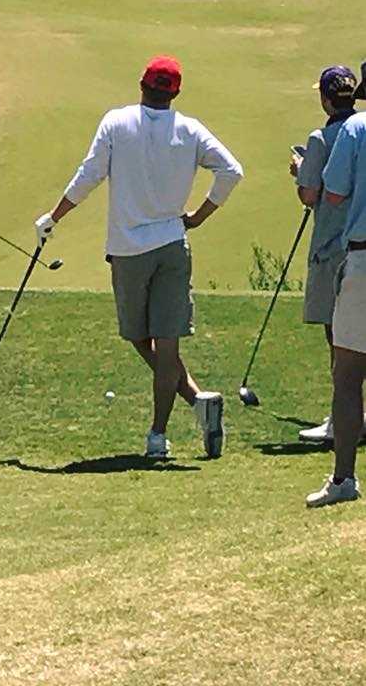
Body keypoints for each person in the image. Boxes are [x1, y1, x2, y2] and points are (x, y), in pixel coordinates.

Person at [35, 56, 243, 460]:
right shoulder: (190, 129)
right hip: (172, 243)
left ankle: (184, 415)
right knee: (167, 345)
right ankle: (166, 431)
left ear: (141, 85)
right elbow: (232, 171)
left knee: (137, 335)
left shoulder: (116, 122)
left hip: (129, 250)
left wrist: (52, 217)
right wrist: (198, 217)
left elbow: (89, 174)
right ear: (175, 93)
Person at [293, 67, 363, 446]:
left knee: (338, 338)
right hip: (359, 242)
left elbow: (309, 194)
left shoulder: (321, 138)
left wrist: (299, 171)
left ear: (324, 98)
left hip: (332, 249)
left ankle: (343, 419)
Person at [306, 62, 366, 507]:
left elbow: (334, 192)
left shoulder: (355, 129)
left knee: (347, 373)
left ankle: (344, 479)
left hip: (362, 255)